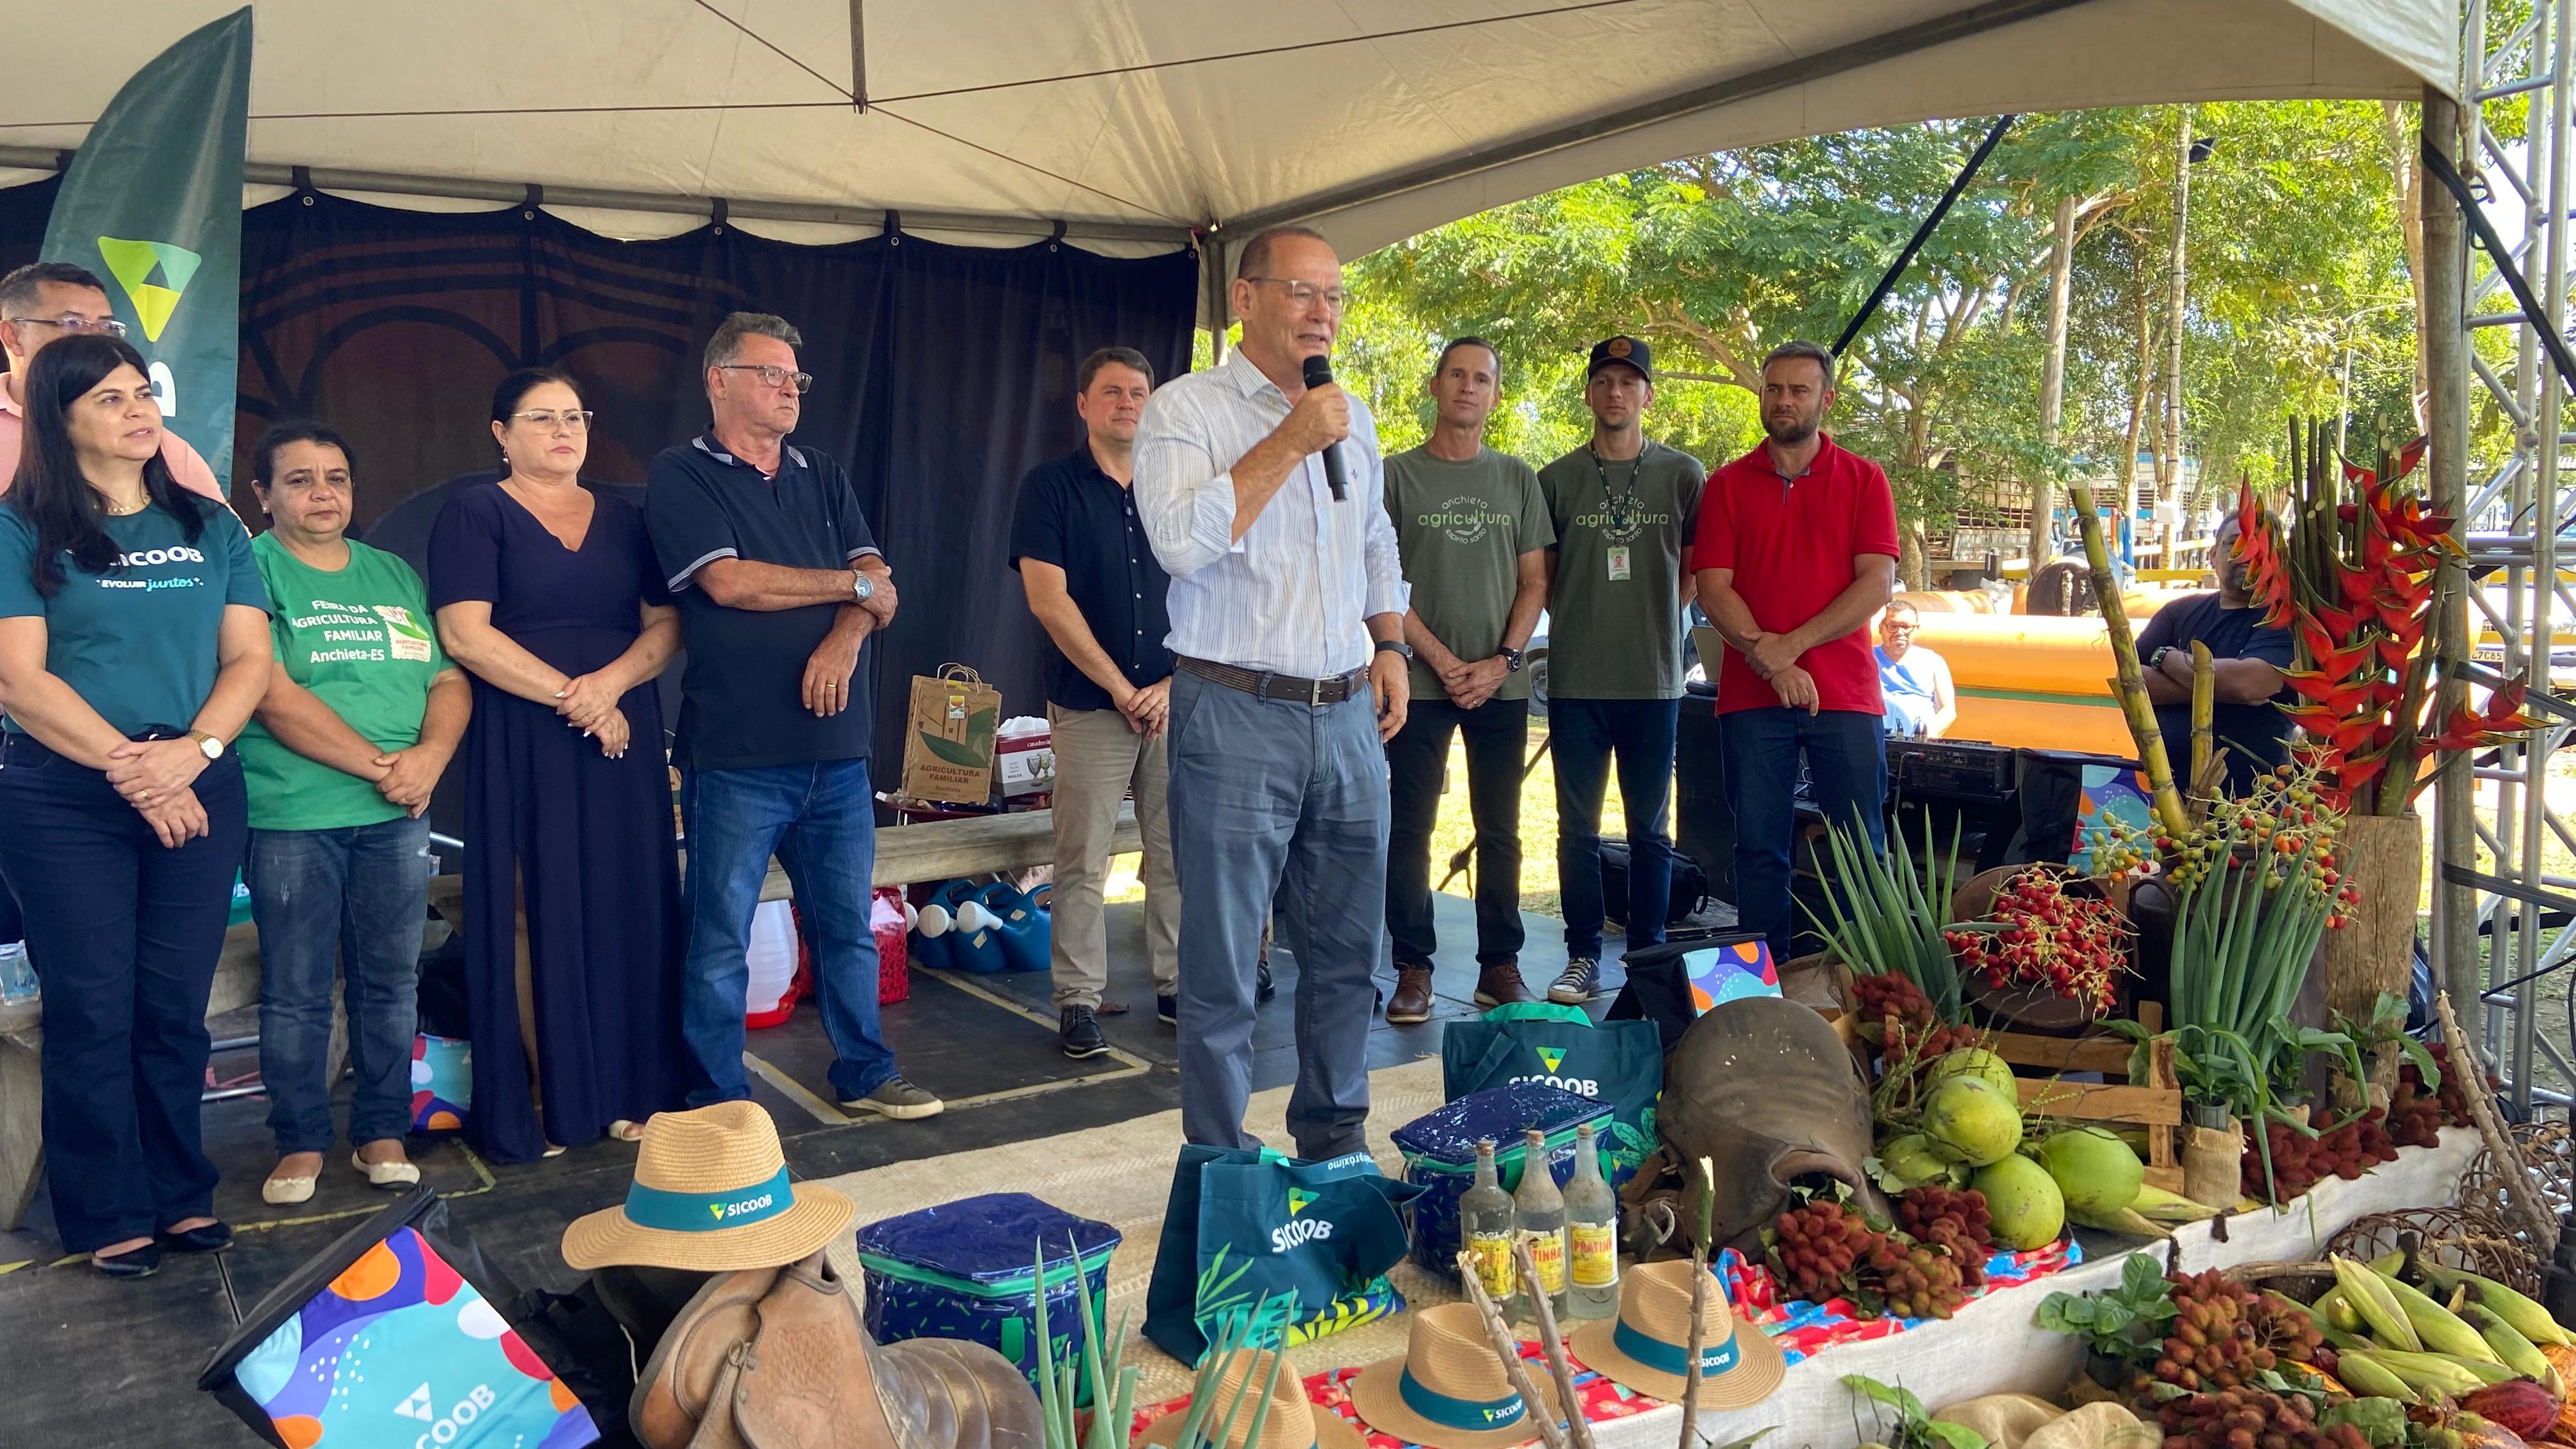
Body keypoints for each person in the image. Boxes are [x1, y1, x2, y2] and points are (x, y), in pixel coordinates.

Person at [1132, 226, 1409, 1160]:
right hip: (1234, 710)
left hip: (1346, 715)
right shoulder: (1185, 411)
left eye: (1334, 296)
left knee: (1346, 956)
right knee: (1221, 963)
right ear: (1245, 298)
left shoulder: (1354, 415)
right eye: (1302, 292)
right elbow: (1179, 542)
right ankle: (1218, 1162)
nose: (1323, 312)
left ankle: (1334, 1147)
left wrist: (1392, 642)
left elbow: (1374, 538)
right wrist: (1291, 438)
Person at [0, 334, 272, 1276]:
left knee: (172, 1005)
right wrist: (136, 771)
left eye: (140, 393)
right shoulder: (19, 528)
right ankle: (106, 1207)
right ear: (60, 418)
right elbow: (19, 681)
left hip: (197, 782)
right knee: (92, 1004)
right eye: (110, 399)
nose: (137, 411)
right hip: (65, 797)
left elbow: (248, 662)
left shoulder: (213, 526)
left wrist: (191, 757)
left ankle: (177, 1193)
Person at [643, 312, 939, 1122]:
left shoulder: (822, 471)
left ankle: (867, 1075)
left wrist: (843, 642)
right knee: (717, 940)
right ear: (719, 380)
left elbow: (883, 583)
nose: (789, 390)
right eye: (771, 374)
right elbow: (731, 584)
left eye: (796, 378)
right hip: (738, 755)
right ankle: (717, 1102)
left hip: (839, 755)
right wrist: (851, 590)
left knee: (847, 929)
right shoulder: (682, 473)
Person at [429, 369, 688, 1164]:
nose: (562, 430)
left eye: (574, 416)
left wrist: (609, 689)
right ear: (501, 434)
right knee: (527, 911)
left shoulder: (627, 519)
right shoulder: (475, 514)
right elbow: (466, 637)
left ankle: (630, 1090)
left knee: (628, 906)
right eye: (541, 418)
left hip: (622, 732)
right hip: (524, 733)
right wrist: (576, 700)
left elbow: (665, 625)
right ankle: (550, 1092)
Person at [236, 420, 471, 1204]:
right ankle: (299, 1140)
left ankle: (380, 1129)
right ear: (262, 495)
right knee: (298, 986)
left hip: (396, 813)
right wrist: (384, 769)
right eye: (299, 480)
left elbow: (447, 681)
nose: (322, 493)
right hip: (295, 813)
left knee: (390, 982)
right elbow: (270, 693)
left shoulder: (392, 574)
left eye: (335, 477)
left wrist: (430, 758)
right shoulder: (251, 569)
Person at [1694, 340, 1899, 962]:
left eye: (1799, 390)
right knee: (1758, 848)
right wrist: (1771, 662)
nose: (1784, 400)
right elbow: (1712, 587)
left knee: (1860, 848)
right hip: (1752, 702)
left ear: (1825, 399)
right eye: (1774, 389)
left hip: (1847, 694)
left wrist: (1790, 650)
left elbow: (1876, 583)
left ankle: (1867, 984)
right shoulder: (1727, 485)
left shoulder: (1865, 479)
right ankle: (1767, 984)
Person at [1009, 346, 1183, 1059]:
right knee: (1082, 861)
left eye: (1139, 392)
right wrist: (1120, 687)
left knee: (1178, 856)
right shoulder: (1048, 489)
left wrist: (1171, 685)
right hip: (1090, 706)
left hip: (1176, 703)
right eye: (1112, 391)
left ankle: (1178, 987)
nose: (1127, 403)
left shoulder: (1175, 489)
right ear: (1083, 405)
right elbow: (1049, 601)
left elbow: (1213, 593)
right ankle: (1078, 1002)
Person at [1381, 337, 1551, 1022]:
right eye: (1457, 375)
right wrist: (1439, 659)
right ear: (1435, 385)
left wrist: (1502, 662)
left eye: (1482, 378)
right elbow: (1380, 581)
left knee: (1503, 830)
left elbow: (1536, 581)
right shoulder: (1394, 475)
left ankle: (1499, 967)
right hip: (1416, 685)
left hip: (1500, 686)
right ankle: (1413, 969)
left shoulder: (1517, 479)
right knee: (1409, 829)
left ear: (1496, 395)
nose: (1468, 388)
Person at [1535, 336, 1705, 1005]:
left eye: (1629, 383)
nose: (1616, 394)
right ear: (1589, 394)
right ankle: (1582, 955)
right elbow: (1541, 578)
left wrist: (1661, 616)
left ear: (1648, 396)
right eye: (1604, 382)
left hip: (1654, 681)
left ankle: (1647, 952)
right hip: (1577, 679)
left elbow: (1696, 569)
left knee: (1650, 829)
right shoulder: (1555, 480)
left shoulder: (1682, 474)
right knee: (1574, 827)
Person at [0, 263, 227, 505]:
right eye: (72, 324)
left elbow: (224, 537)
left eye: (108, 327)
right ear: (11, 336)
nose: (97, 340)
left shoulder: (154, 443)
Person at [2135, 515, 2293, 796]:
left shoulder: (2285, 619)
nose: (2246, 554)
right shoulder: (2178, 612)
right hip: (2159, 794)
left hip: (2252, 804)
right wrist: (2216, 687)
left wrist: (2167, 660)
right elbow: (2130, 682)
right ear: (2212, 555)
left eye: (2260, 546)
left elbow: (2246, 684)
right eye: (2234, 543)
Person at [1874, 600, 1956, 738]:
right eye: (1892, 626)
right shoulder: (1867, 659)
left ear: (1917, 629)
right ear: (1881, 628)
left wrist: (1924, 738)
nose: (1899, 632)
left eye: (1906, 627)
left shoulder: (1934, 662)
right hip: (1874, 741)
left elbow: (1947, 710)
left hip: (1920, 744)